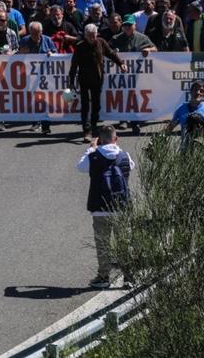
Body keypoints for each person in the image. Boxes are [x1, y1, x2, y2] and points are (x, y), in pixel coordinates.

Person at [76, 125, 134, 289]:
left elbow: (80, 166)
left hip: (100, 206)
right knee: (124, 242)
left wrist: (91, 149)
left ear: (100, 140)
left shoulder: (93, 157)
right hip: (121, 206)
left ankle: (103, 276)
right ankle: (129, 277)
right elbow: (131, 166)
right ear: (116, 139)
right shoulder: (124, 155)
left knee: (103, 243)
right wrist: (117, 147)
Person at [69, 24, 128, 142]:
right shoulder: (80, 46)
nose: (92, 38)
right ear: (85, 35)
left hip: (98, 79)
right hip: (84, 80)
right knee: (85, 105)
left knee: (96, 104)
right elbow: (74, 66)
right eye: (89, 36)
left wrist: (121, 63)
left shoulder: (101, 42)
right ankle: (86, 131)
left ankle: (94, 126)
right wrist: (71, 82)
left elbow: (111, 53)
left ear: (97, 34)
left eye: (93, 35)